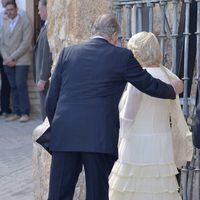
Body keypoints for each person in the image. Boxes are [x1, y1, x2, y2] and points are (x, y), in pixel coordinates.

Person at [45, 14, 183, 200]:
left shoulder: (67, 53)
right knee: (97, 193)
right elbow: (147, 84)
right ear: (114, 36)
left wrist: (59, 127)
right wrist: (171, 89)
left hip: (65, 134)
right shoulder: (122, 56)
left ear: (94, 32)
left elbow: (51, 99)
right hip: (98, 136)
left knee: (59, 194)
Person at [109, 32, 192, 200]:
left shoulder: (140, 78)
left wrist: (117, 140)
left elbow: (128, 117)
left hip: (136, 144)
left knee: (131, 191)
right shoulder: (168, 76)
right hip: (162, 145)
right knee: (158, 191)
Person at [1, 1, 32, 122]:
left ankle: (25, 113)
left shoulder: (25, 23)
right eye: (7, 10)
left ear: (16, 9)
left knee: (20, 85)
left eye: (11, 9)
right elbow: (1, 43)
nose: (9, 12)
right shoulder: (5, 24)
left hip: (21, 60)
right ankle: (16, 112)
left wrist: (12, 57)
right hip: (7, 61)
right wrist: (6, 57)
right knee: (13, 86)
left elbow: (25, 43)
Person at [33, 0, 52, 120]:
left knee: (46, 112)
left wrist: (43, 78)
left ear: (47, 9)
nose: (38, 12)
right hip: (42, 78)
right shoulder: (45, 26)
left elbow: (47, 55)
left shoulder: (50, 28)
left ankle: (47, 136)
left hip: (44, 79)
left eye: (40, 9)